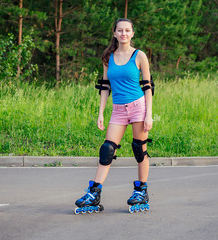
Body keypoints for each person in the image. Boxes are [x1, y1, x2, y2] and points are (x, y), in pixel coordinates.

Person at [74, 18, 153, 214]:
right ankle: (94, 193)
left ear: (132, 33)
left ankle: (141, 190)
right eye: (120, 30)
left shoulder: (139, 55)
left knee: (139, 149)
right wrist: (101, 112)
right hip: (117, 109)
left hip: (138, 107)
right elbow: (105, 87)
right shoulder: (108, 57)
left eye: (127, 30)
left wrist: (148, 114)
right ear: (114, 33)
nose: (123, 33)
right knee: (107, 150)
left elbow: (148, 87)